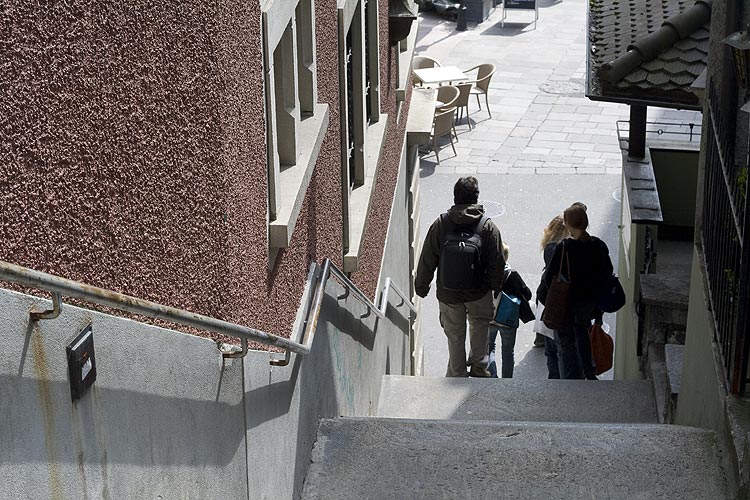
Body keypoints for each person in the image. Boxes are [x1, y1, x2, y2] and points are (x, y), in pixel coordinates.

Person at [415, 176, 505, 377]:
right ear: (476, 197)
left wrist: (422, 286)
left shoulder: (441, 224)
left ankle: (457, 373)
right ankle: (478, 366)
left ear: (455, 197)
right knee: (480, 325)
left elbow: (428, 258)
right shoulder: (487, 226)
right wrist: (494, 287)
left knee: (455, 334)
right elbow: (497, 261)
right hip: (478, 291)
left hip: (448, 293)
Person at [544, 203, 612, 380]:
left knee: (566, 344)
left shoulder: (564, 247)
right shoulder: (599, 246)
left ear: (567, 224)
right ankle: (588, 373)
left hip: (565, 304)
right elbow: (607, 275)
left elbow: (548, 278)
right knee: (583, 335)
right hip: (588, 304)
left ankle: (571, 381)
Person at [488, 243, 532, 378]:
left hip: (490, 317)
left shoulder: (486, 273)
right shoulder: (513, 275)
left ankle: (492, 376)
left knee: (489, 348)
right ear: (506, 257)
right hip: (508, 320)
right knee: (508, 352)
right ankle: (507, 381)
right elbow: (528, 294)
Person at [535, 214, 567, 379]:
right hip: (560, 302)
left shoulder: (549, 248)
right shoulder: (562, 249)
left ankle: (553, 380)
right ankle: (560, 381)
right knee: (560, 348)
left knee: (551, 349)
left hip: (548, 302)